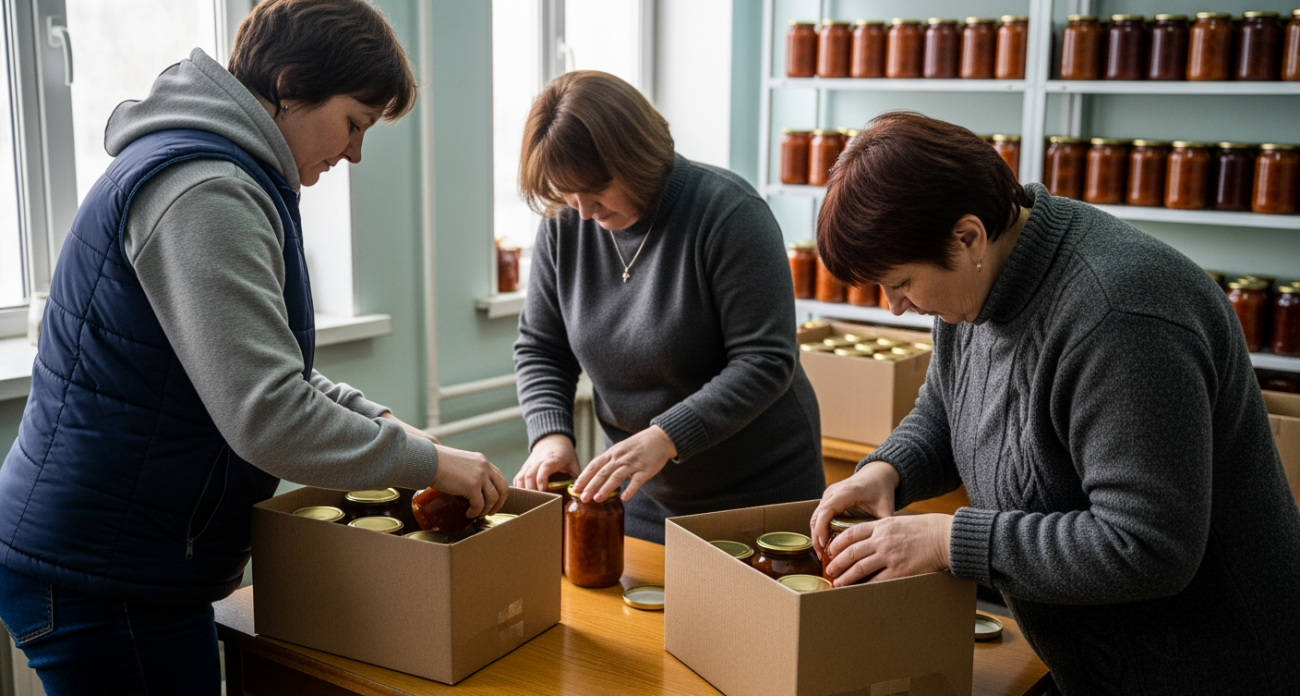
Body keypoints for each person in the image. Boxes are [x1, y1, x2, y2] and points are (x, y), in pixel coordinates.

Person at [0, 2, 507, 693]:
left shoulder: (221, 173)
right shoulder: (209, 191)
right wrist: (429, 461)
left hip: (116, 559)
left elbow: (269, 370)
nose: (355, 152)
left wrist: (386, 426)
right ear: (291, 83)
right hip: (106, 575)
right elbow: (267, 413)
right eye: (354, 122)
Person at [809, 111, 1300, 694]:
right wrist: (889, 472)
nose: (893, 307)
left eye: (901, 283)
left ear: (967, 237)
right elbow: (947, 407)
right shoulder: (975, 286)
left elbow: (1146, 546)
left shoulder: (1121, 317)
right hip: (1090, 662)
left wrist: (946, 541)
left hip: (1205, 670)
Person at [511, 71, 824, 543]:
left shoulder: (729, 213)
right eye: (565, 192)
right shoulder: (565, 224)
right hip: (640, 493)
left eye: (595, 188)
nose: (583, 211)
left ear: (637, 156)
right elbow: (541, 347)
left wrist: (665, 437)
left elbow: (766, 360)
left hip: (758, 492)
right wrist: (550, 435)